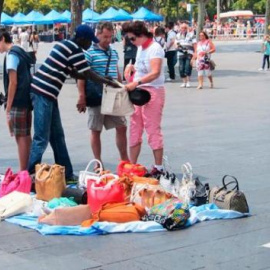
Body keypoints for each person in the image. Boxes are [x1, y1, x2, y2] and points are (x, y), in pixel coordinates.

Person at [28, 24, 118, 184]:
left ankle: (67, 173)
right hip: (43, 92)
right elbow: (87, 73)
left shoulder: (66, 45)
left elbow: (72, 72)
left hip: (48, 93)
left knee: (57, 136)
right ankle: (29, 176)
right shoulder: (74, 49)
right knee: (41, 137)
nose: (90, 44)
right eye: (89, 41)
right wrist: (107, 81)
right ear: (81, 39)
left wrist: (105, 79)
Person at [77, 22, 129, 170]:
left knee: (122, 126)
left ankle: (124, 159)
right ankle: (97, 163)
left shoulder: (114, 52)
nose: (108, 40)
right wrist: (81, 96)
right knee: (95, 129)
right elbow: (81, 75)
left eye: (110, 37)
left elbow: (116, 72)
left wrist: (121, 88)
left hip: (113, 95)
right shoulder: (89, 52)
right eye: (105, 36)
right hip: (96, 95)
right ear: (97, 35)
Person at [124, 21, 166, 177]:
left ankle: (158, 167)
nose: (131, 42)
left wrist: (137, 82)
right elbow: (140, 68)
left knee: (152, 128)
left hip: (152, 91)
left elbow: (155, 72)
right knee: (135, 127)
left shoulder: (155, 49)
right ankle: (132, 165)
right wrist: (131, 67)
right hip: (138, 92)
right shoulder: (140, 48)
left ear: (141, 35)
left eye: (132, 39)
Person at [0, 29, 33, 170]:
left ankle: (23, 170)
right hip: (26, 100)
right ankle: (29, 168)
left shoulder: (12, 55)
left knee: (21, 137)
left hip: (17, 101)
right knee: (26, 135)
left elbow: (13, 82)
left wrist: (8, 106)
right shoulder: (19, 51)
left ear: (2, 39)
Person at [175, 23, 196, 88]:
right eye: (182, 28)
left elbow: (195, 44)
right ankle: (184, 82)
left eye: (185, 28)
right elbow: (175, 44)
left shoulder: (191, 35)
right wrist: (179, 47)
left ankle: (188, 82)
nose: (183, 29)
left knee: (188, 67)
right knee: (181, 68)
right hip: (181, 53)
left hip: (189, 53)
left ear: (187, 28)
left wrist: (195, 53)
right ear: (180, 28)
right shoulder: (177, 35)